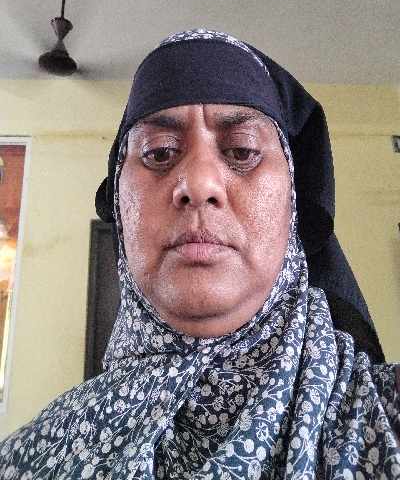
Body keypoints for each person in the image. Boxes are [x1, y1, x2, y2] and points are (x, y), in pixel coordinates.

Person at [1, 28, 399, 478]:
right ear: (119, 204)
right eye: (159, 153)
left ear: (293, 201)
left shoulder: (387, 421)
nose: (199, 183)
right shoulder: (31, 460)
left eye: (243, 150)